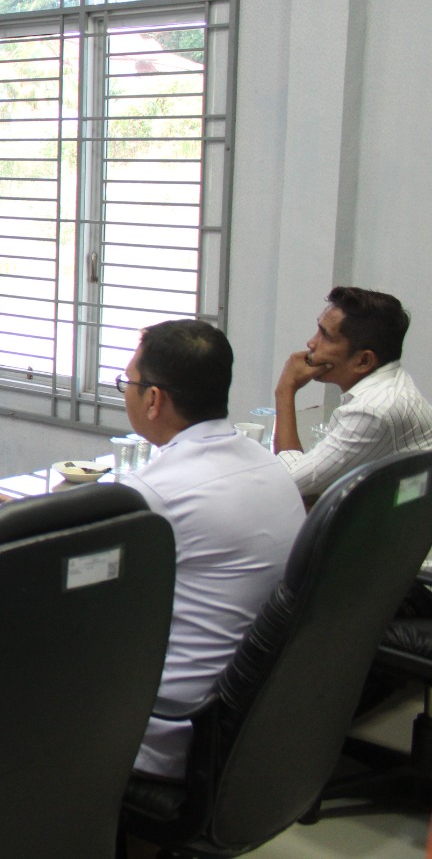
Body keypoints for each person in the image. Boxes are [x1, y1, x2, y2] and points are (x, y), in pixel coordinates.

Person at [111, 319, 303, 779]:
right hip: (253, 717)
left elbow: (98, 609)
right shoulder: (270, 466)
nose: (126, 393)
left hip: (173, 726)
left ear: (153, 399)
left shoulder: (156, 493)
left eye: (128, 384)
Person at [273, 286, 432, 502]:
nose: (311, 343)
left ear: (363, 361)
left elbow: (290, 482)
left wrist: (285, 390)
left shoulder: (373, 410)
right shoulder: (391, 383)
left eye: (326, 336)